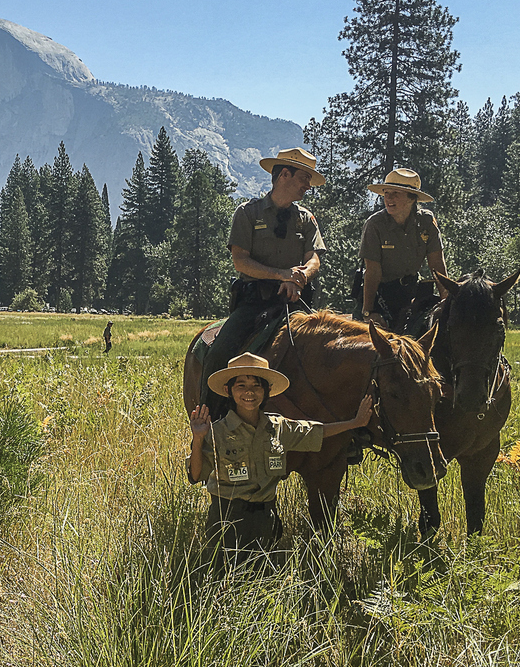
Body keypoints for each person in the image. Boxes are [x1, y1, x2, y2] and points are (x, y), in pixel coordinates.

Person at [188, 353, 372, 558]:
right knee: (224, 579)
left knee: (264, 579)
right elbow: (196, 475)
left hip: (266, 518)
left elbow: (315, 431)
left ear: (267, 392)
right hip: (226, 519)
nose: (249, 392)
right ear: (228, 391)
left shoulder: (278, 427)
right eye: (241, 386)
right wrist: (198, 439)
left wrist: (354, 423)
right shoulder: (217, 432)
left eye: (257, 386)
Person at [199, 148, 327, 407]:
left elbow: (314, 258)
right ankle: (209, 419)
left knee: (326, 354)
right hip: (254, 303)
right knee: (220, 352)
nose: (308, 185)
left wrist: (300, 278)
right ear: (285, 175)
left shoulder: (307, 219)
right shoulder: (247, 213)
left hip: (296, 303)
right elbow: (241, 261)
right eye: (304, 177)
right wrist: (282, 276)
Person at [358, 168, 447, 335]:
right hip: (380, 294)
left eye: (396, 193)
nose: (389, 198)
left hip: (413, 291)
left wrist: (446, 301)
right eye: (386, 193)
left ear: (411, 198)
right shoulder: (375, 224)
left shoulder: (426, 221)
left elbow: (437, 263)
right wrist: (368, 312)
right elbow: (372, 271)